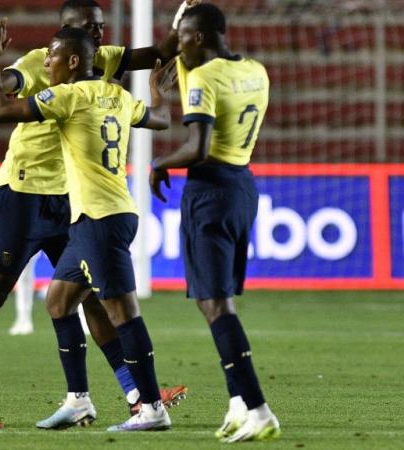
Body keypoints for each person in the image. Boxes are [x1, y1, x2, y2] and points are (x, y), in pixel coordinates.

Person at [0, 0, 193, 429]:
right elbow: (3, 89)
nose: (100, 36)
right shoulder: (41, 62)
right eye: (90, 29)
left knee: (82, 296)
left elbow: (158, 54)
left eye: (100, 28)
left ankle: (134, 394)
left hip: (72, 201)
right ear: (67, 34)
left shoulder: (98, 59)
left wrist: (184, 25)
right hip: (22, 195)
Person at [149, 3, 281, 442]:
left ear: (199, 38)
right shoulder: (256, 71)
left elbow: (199, 146)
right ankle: (239, 402)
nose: (177, 45)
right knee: (221, 300)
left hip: (209, 191)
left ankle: (259, 408)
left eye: (183, 38)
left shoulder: (203, 77)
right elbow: (199, 77)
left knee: (214, 304)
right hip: (242, 185)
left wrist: (160, 161)